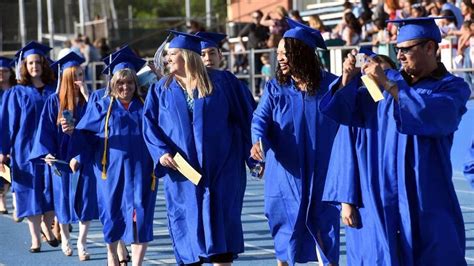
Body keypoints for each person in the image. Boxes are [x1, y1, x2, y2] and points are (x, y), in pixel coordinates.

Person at [320, 17, 470, 265]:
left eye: (406, 49)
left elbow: (432, 114)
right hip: (384, 197)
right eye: (397, 49)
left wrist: (389, 83)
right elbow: (345, 114)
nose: (399, 55)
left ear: (430, 48)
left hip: (427, 196)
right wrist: (347, 79)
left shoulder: (452, 87)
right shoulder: (381, 89)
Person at [142, 30, 254, 265]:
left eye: (172, 54)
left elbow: (246, 119)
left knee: (220, 226)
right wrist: (161, 152)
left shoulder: (222, 82)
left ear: (188, 55)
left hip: (221, 168)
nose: (167, 59)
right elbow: (149, 125)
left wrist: (253, 158)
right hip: (183, 173)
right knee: (187, 226)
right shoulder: (160, 89)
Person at [250, 18, 340, 266]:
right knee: (284, 232)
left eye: (285, 53)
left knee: (324, 230)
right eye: (278, 52)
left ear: (302, 54)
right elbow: (260, 119)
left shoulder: (332, 86)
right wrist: (258, 141)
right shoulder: (276, 88)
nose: (280, 58)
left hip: (323, 173)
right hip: (286, 174)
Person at [72, 52, 156, 266]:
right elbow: (85, 133)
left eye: (129, 82)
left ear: (136, 83)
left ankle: (137, 263)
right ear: (113, 83)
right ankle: (112, 254)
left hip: (142, 172)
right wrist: (74, 141)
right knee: (112, 214)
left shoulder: (146, 105)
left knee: (141, 216)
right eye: (120, 82)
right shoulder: (102, 105)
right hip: (110, 172)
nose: (125, 87)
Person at [28, 52, 98, 260]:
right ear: (66, 77)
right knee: (63, 200)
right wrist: (47, 153)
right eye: (75, 75)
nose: (79, 80)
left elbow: (97, 127)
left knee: (85, 200)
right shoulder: (54, 102)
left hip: (85, 156)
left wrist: (86, 95)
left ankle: (82, 242)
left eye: (81, 74)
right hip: (61, 159)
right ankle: (66, 238)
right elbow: (45, 130)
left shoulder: (89, 101)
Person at [0, 41, 59, 252]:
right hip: (24, 150)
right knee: (30, 192)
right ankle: (35, 238)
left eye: (38, 62)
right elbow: (7, 124)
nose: (35, 66)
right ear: (25, 66)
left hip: (50, 149)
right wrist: (3, 151)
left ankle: (49, 227)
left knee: (51, 191)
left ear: (44, 64)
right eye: (31, 62)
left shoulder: (54, 90)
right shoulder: (17, 92)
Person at [0, 56, 16, 215]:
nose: (2, 74)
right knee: (1, 169)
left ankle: (16, 200)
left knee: (14, 169)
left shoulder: (16, 90)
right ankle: (2, 201)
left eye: (5, 71)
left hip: (14, 133)